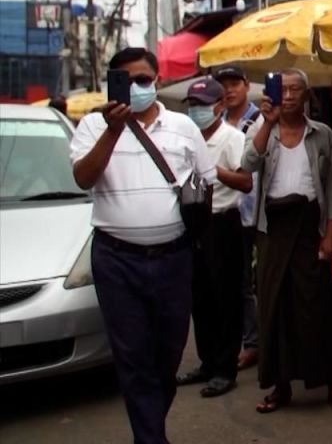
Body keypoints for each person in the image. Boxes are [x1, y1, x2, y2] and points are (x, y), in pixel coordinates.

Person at [69, 47, 216, 444]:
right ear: (111, 85)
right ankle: (151, 439)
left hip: (173, 258)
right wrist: (113, 130)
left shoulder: (184, 127)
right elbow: (84, 178)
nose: (136, 88)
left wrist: (197, 239)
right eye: (126, 80)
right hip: (117, 260)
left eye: (143, 80)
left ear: (158, 82)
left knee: (167, 356)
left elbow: (205, 185)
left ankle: (149, 432)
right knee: (133, 359)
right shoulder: (91, 126)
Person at [241, 68, 332, 415]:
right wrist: (267, 124)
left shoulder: (322, 135)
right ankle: (280, 385)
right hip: (272, 228)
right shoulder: (262, 130)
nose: (287, 96)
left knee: (317, 305)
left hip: (309, 226)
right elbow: (247, 164)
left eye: (294, 91)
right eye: (282, 90)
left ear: (306, 96)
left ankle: (330, 379)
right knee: (274, 307)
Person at [175, 77, 253, 398]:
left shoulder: (232, 138)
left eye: (203, 105)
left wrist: (212, 169)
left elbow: (246, 182)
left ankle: (225, 368)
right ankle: (207, 362)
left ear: (219, 106)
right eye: (192, 106)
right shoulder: (184, 139)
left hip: (224, 223)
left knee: (227, 299)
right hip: (192, 223)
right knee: (200, 298)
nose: (197, 111)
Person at [213, 64, 263, 371]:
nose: (229, 90)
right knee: (233, 282)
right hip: (225, 214)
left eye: (235, 83)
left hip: (254, 213)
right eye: (224, 85)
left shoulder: (260, 121)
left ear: (247, 85)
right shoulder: (216, 121)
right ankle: (245, 339)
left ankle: (255, 343)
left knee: (251, 282)